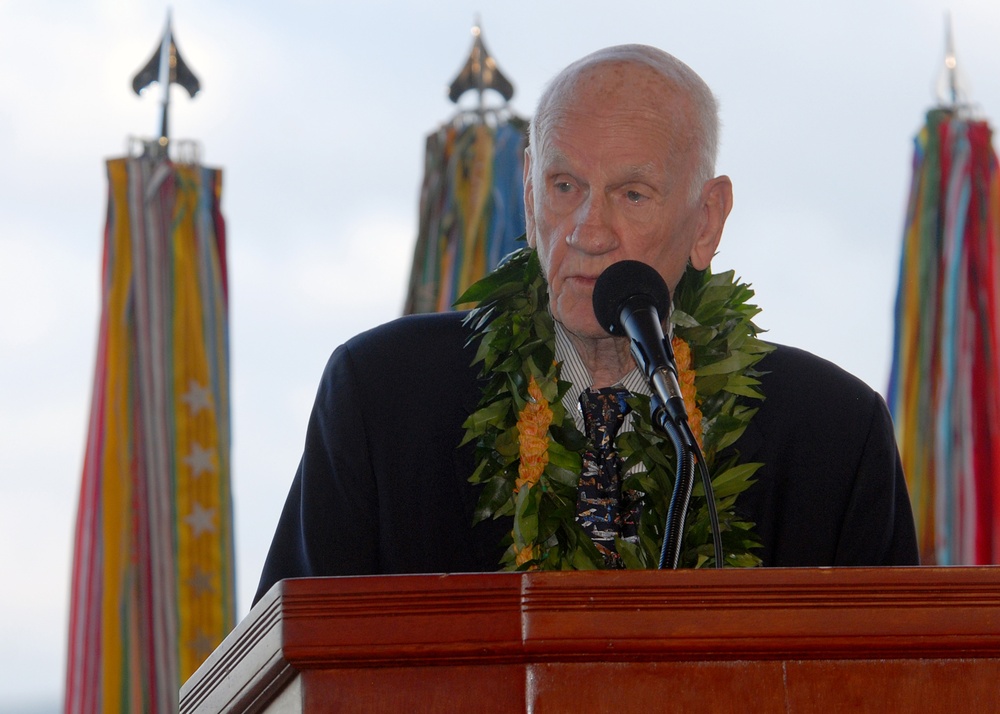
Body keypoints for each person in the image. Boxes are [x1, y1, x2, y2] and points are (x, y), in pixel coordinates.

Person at [254, 45, 918, 604]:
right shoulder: (383, 396)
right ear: (528, 189)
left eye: (632, 194)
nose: (588, 231)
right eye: (565, 185)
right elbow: (286, 665)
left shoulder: (833, 436)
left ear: (707, 219)